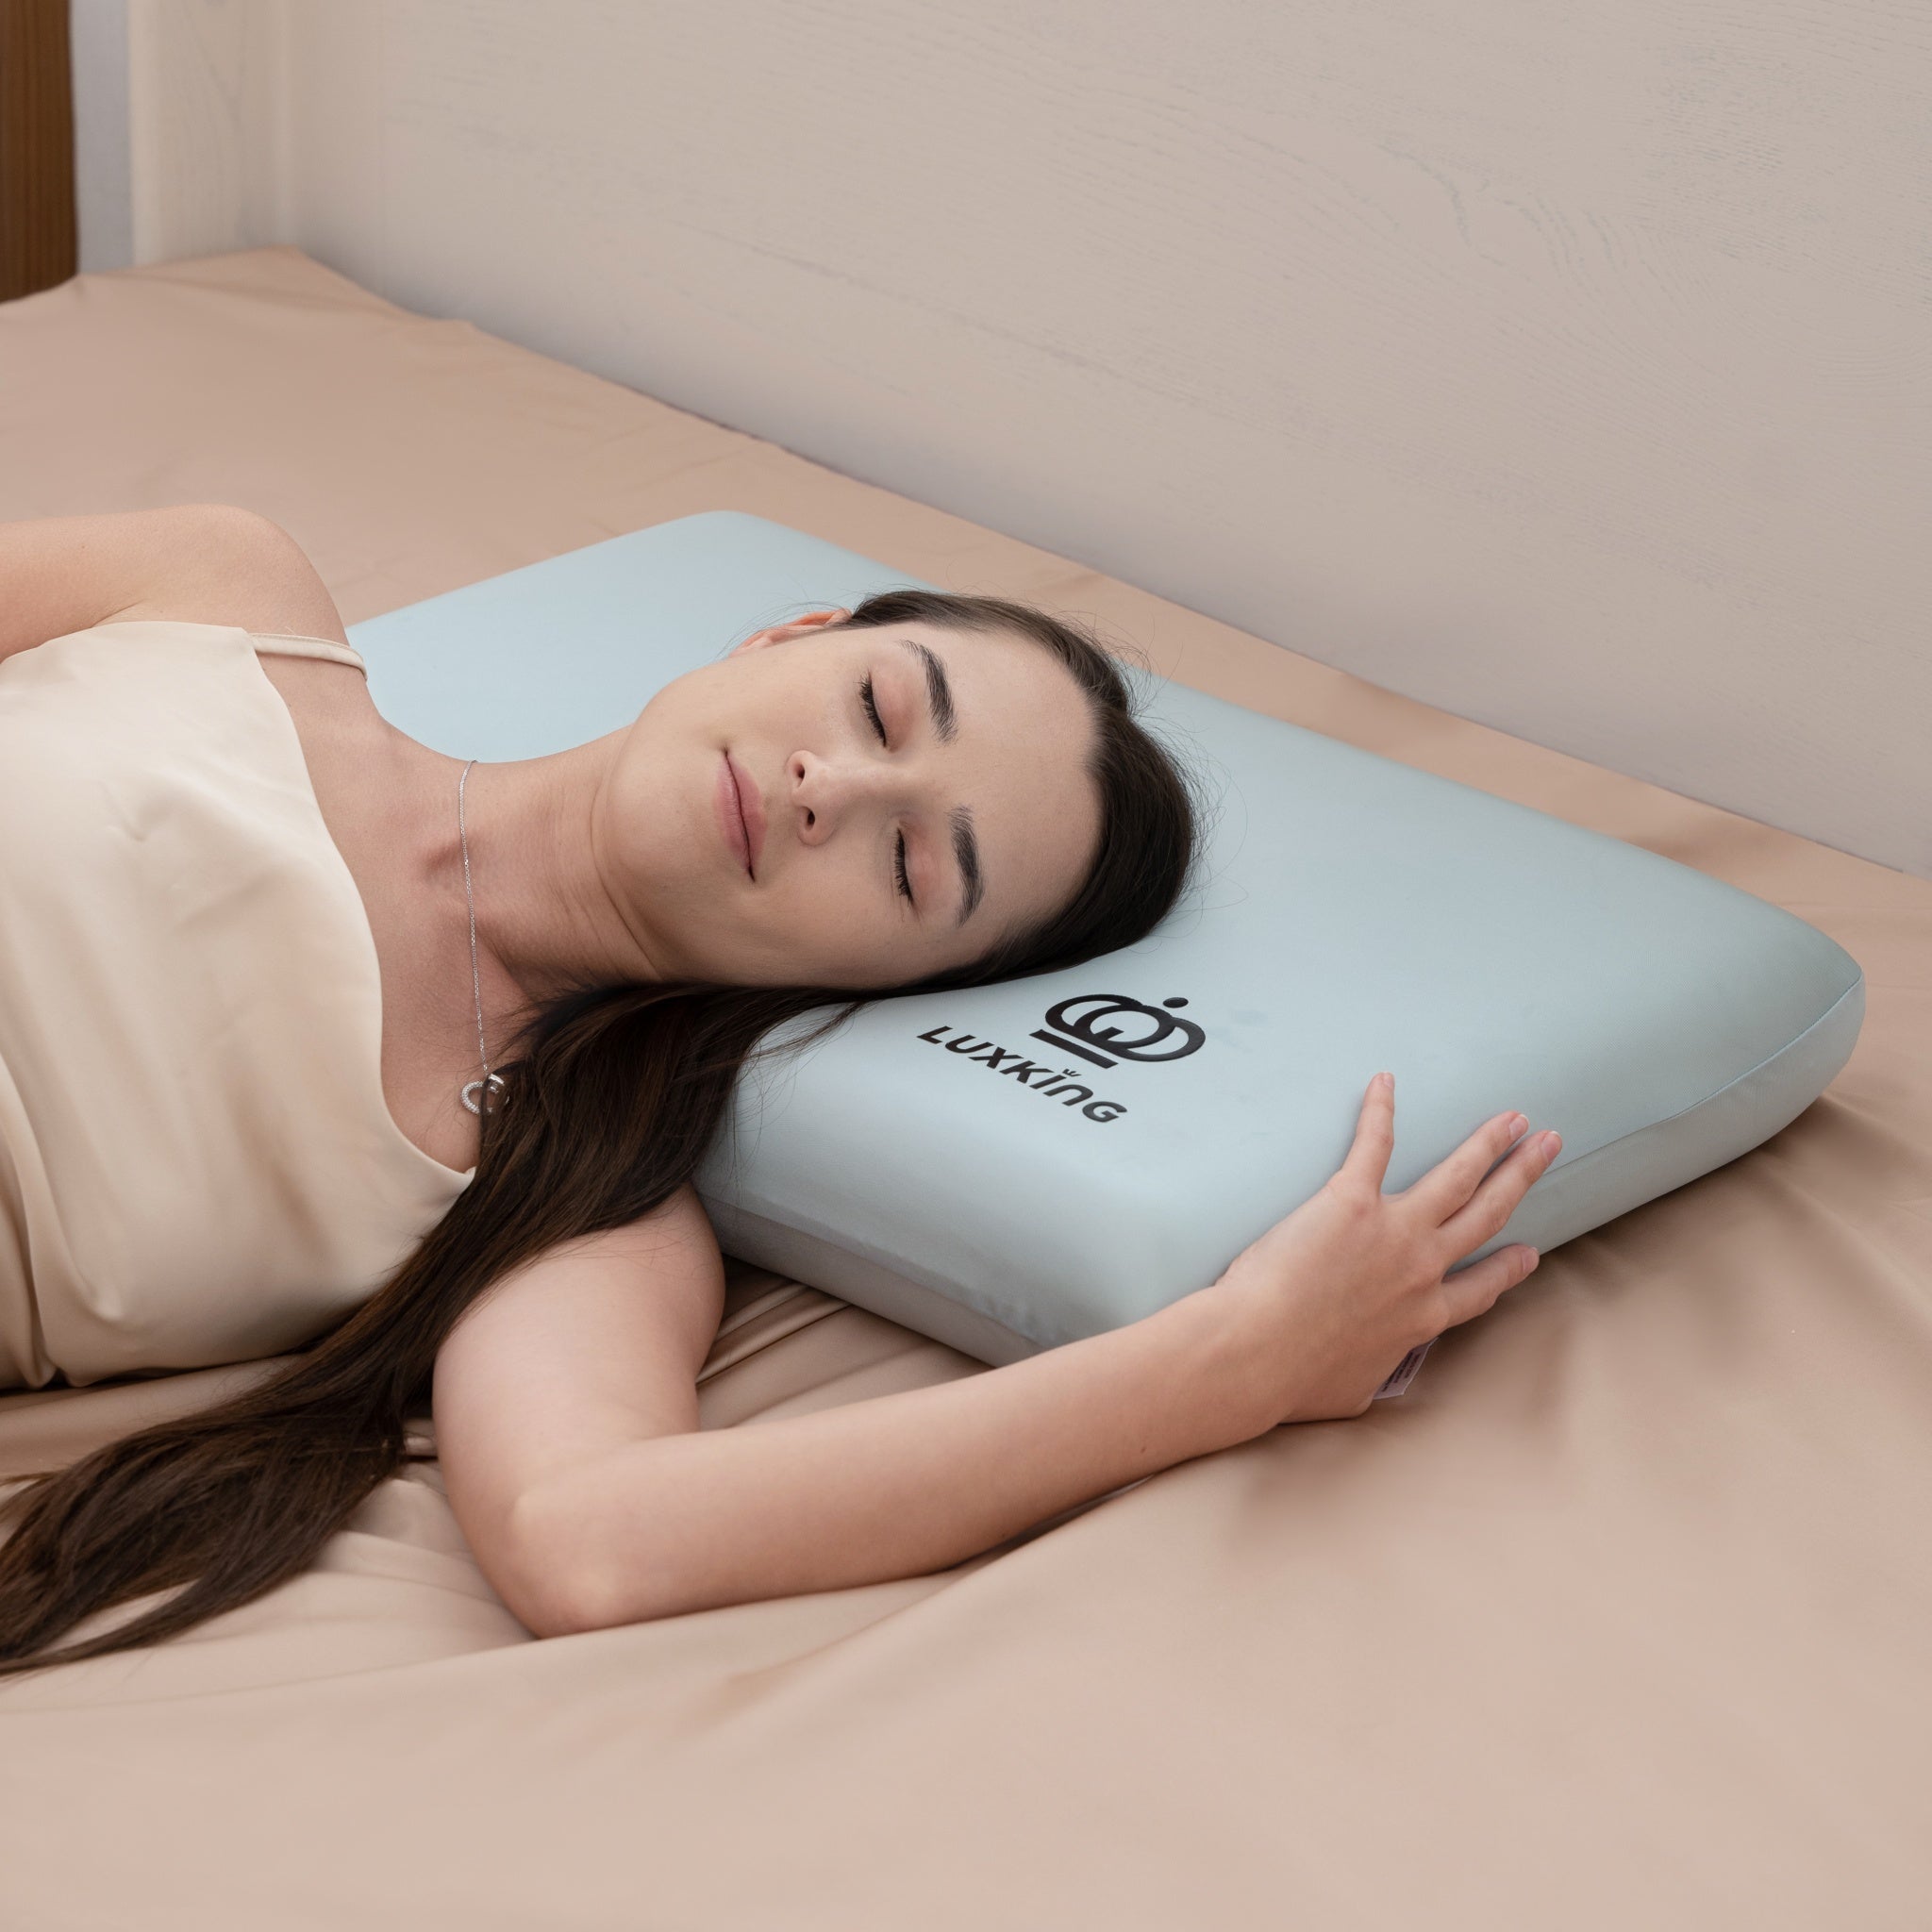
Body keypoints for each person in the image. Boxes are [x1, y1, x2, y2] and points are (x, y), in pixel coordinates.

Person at [0, 504, 1558, 1676]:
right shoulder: (220, 597)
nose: (841, 790)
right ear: (788, 640)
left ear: (885, 992)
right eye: (881, 709)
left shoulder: (569, 1192)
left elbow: (589, 1541)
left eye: (913, 864)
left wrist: (1237, 1359)